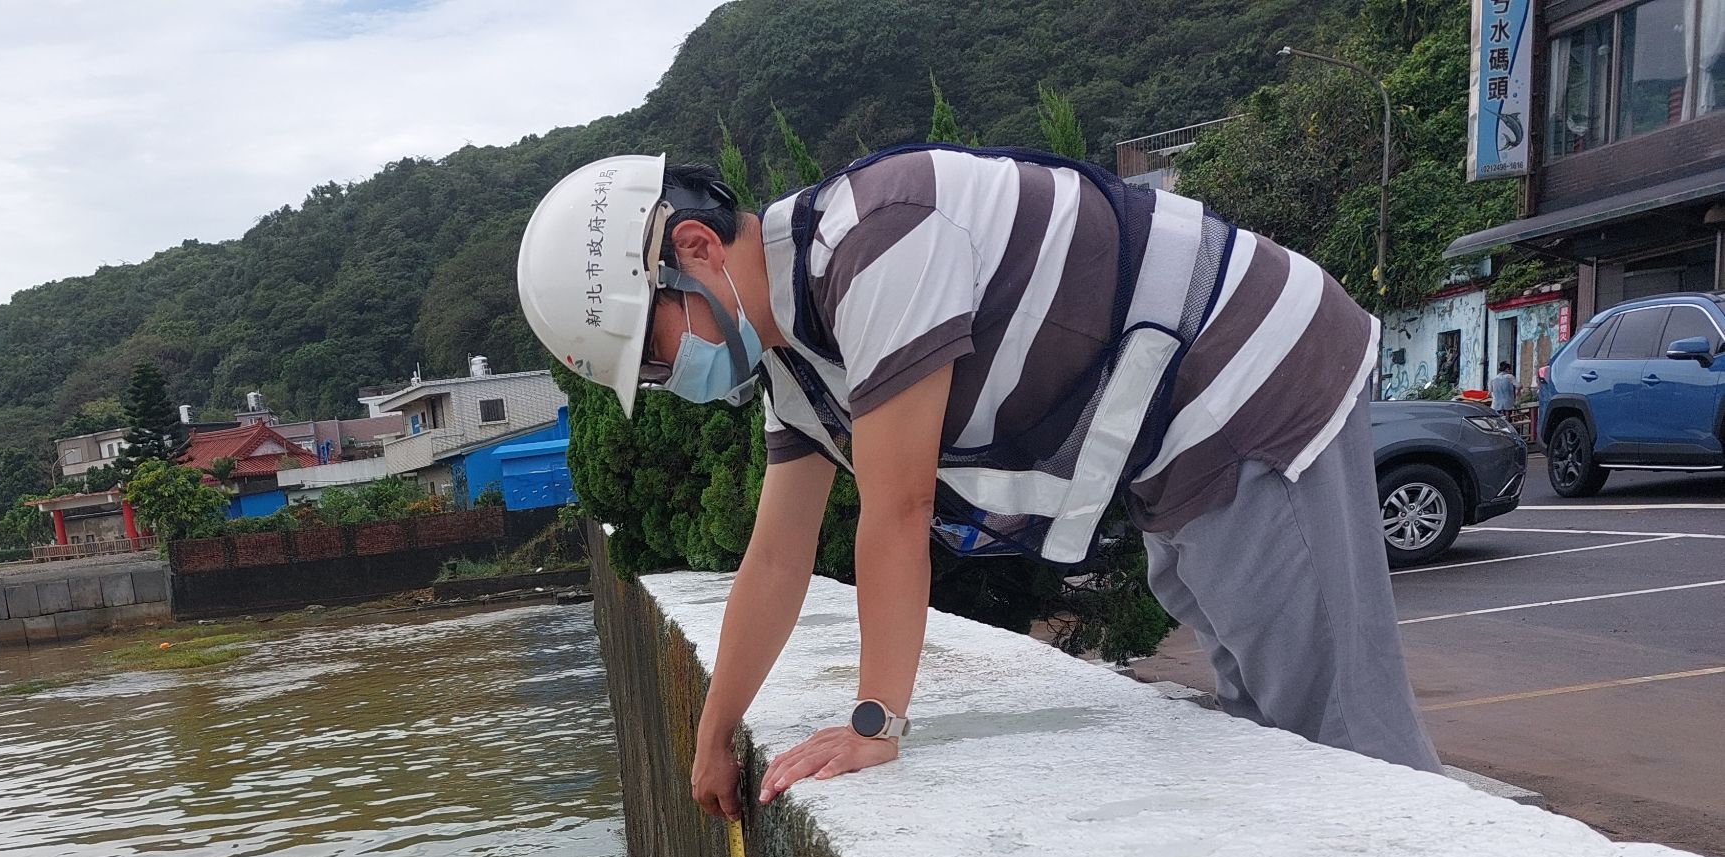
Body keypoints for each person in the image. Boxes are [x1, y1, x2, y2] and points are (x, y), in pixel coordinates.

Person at [516, 148, 1441, 816]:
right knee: (1278, 735)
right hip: (1174, 446)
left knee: (1347, 742)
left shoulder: (872, 243)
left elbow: (899, 504)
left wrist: (877, 721)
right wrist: (716, 731)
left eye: (651, 353)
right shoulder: (797, 363)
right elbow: (776, 556)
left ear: (695, 250)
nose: (666, 381)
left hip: (1254, 387)